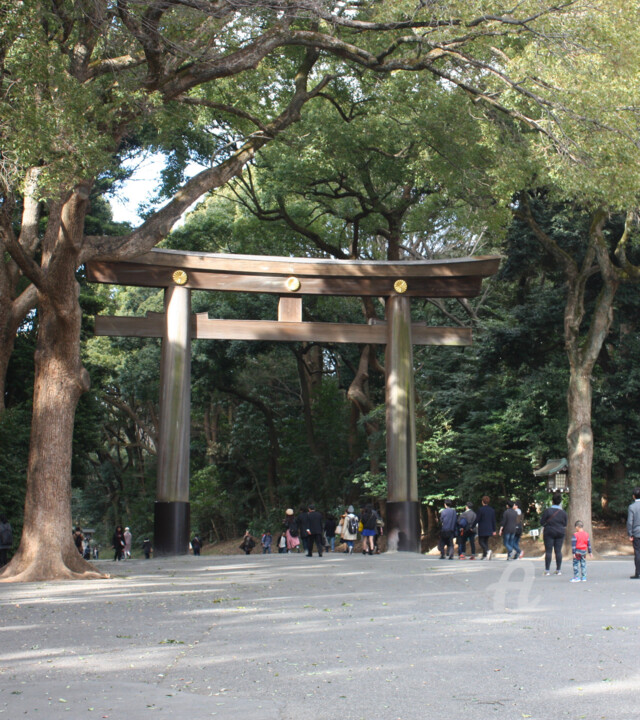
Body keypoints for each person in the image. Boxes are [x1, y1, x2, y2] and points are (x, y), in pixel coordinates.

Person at [541, 492, 568, 575]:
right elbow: (565, 524)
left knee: (548, 551)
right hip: (560, 532)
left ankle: (547, 570)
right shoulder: (563, 513)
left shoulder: (548, 511)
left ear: (552, 501)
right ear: (560, 502)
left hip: (549, 531)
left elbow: (542, 522)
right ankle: (558, 570)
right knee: (558, 551)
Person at [627, 487, 640, 579]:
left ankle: (638, 573)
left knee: (638, 553)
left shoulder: (632, 507)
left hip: (636, 533)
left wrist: (630, 533)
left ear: (633, 496)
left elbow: (630, 522)